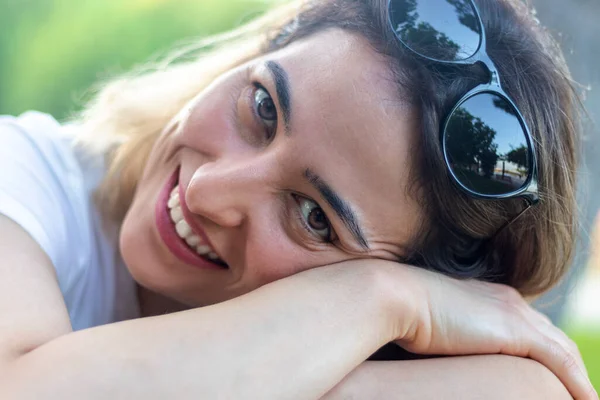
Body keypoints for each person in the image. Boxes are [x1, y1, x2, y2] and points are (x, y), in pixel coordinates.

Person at [0, 0, 596, 398]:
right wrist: (388, 296)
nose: (208, 192)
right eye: (262, 107)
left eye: (315, 218)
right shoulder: (22, 175)